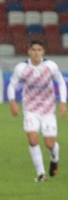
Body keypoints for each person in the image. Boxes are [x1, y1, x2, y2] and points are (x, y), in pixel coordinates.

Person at [7, 39, 67, 182]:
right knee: (33, 139)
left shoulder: (50, 66)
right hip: (30, 110)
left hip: (48, 110)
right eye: (33, 50)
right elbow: (12, 85)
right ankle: (41, 174)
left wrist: (63, 102)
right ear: (29, 51)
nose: (36, 53)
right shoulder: (22, 68)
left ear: (43, 52)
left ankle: (54, 158)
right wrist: (13, 102)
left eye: (39, 50)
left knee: (49, 144)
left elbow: (61, 82)